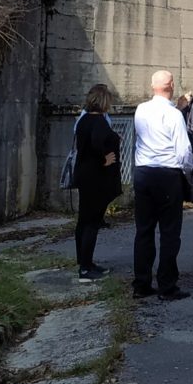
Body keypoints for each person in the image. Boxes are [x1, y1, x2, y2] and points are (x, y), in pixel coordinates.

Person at [133, 70, 193, 302]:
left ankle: (141, 283)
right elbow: (184, 151)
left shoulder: (141, 110)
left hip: (144, 171)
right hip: (167, 173)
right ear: (172, 86)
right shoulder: (174, 115)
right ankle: (167, 285)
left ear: (152, 86)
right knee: (169, 232)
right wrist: (186, 172)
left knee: (144, 230)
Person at [73, 83, 121, 283]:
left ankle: (84, 262)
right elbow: (97, 143)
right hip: (97, 178)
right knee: (92, 222)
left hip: (84, 175)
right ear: (104, 101)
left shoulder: (83, 120)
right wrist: (105, 159)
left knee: (84, 221)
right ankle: (86, 269)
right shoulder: (99, 121)